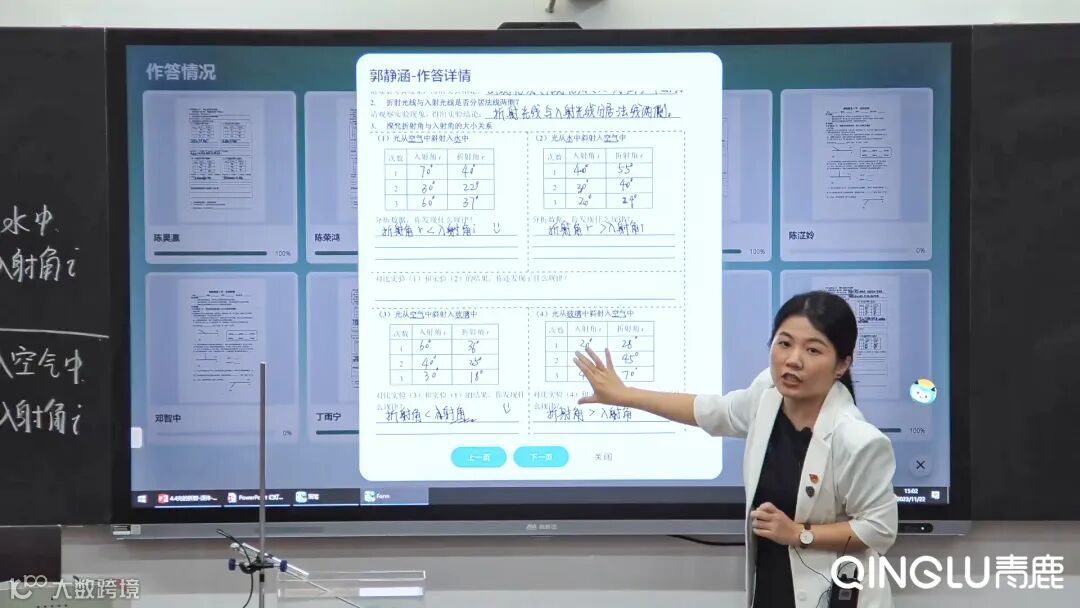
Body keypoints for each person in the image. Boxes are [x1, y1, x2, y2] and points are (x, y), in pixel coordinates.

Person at [574, 290, 898, 608]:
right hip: (771, 586)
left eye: (813, 350)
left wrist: (799, 534)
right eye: (784, 343)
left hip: (835, 594)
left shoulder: (858, 439)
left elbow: (879, 530)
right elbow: (711, 411)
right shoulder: (766, 396)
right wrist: (625, 395)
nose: (793, 360)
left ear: (841, 365)